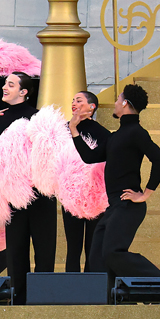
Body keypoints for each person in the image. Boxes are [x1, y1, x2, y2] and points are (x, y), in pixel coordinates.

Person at [72, 83, 160, 289]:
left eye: (117, 99)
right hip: (114, 206)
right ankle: (115, 300)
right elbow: (90, 157)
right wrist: (74, 129)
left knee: (112, 253)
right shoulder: (115, 136)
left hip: (128, 205)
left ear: (124, 103)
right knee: (97, 257)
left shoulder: (137, 132)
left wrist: (144, 194)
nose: (115, 103)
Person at [0, 72, 53, 305]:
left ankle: (43, 296)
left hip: (40, 192)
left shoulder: (38, 117)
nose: (4, 87)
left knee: (44, 247)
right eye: (4, 83)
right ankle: (18, 298)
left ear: (24, 92)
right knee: (16, 249)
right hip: (12, 194)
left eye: (10, 84)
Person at [62, 91, 104, 272]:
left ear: (91, 107)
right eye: (72, 100)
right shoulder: (62, 129)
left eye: (79, 100)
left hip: (95, 194)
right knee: (73, 247)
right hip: (70, 195)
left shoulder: (102, 132)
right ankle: (70, 291)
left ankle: (92, 290)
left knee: (93, 247)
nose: (74, 103)